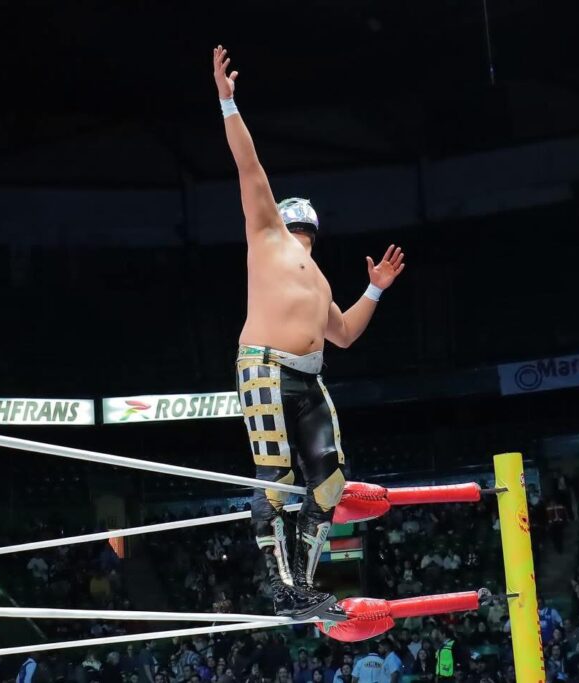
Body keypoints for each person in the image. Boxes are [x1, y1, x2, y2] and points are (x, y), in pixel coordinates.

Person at [212, 45, 406, 619]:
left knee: (329, 484)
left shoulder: (318, 278)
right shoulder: (267, 234)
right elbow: (249, 166)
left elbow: (342, 334)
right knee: (276, 478)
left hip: (309, 378)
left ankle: (304, 583)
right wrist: (227, 103)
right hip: (265, 366)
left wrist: (374, 290)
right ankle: (282, 587)